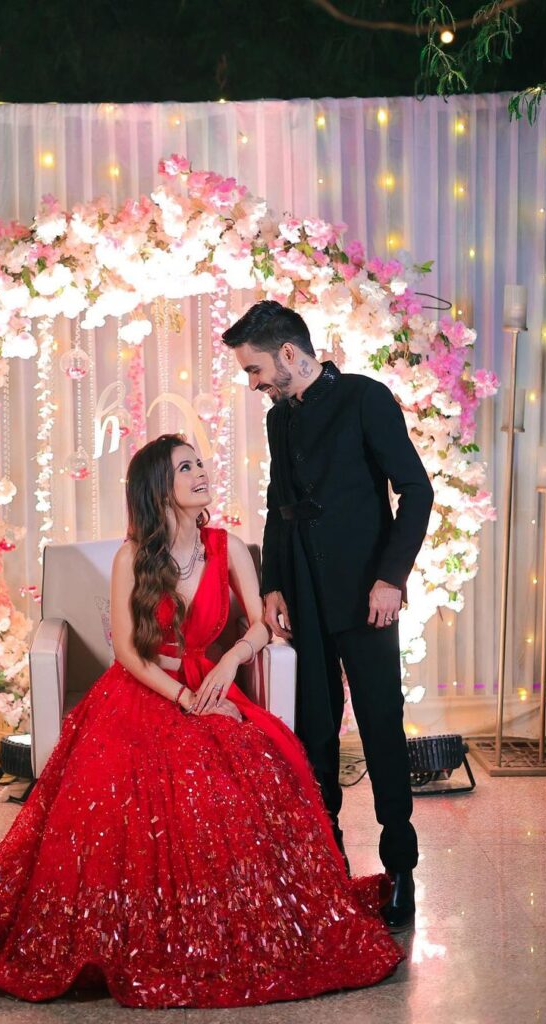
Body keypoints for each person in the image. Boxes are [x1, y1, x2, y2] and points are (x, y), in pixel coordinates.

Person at [0, 434, 404, 1008]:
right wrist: (182, 700)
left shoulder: (226, 544)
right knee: (138, 789)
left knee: (244, 775)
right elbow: (125, 649)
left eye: (201, 464)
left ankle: (230, 913)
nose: (201, 474)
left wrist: (228, 665)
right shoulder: (130, 558)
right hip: (145, 691)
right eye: (185, 467)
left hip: (211, 682)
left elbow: (261, 624)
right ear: (158, 486)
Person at [223, 300, 434, 932]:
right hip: (304, 596)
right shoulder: (278, 419)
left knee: (380, 728)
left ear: (289, 354)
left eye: (256, 369)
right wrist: (273, 584)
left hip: (367, 594)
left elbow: (416, 491)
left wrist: (391, 579)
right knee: (314, 730)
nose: (253, 383)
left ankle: (401, 869)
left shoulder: (366, 398)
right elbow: (277, 502)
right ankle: (327, 862)